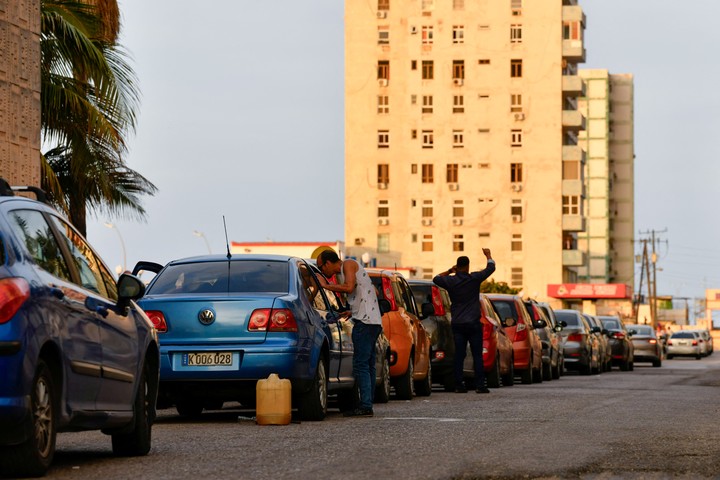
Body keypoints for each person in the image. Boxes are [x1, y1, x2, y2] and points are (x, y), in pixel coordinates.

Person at [316, 249, 383, 417]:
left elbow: (349, 287)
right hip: (372, 321)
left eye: (321, 267)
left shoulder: (348, 264)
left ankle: (366, 405)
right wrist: (353, 311)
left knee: (360, 365)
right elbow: (373, 292)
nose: (323, 272)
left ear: (329, 263)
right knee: (368, 364)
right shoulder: (353, 268)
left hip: (365, 323)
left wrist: (325, 286)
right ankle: (368, 403)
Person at [433, 248, 496, 394]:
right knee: (477, 355)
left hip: (458, 323)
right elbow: (491, 268)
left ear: (457, 266)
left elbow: (436, 278)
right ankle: (480, 385)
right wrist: (488, 255)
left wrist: (450, 270)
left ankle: (459, 385)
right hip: (473, 322)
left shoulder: (451, 281)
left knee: (459, 355)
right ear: (468, 266)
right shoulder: (474, 278)